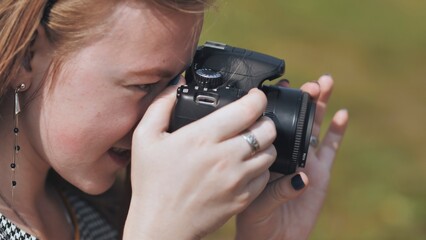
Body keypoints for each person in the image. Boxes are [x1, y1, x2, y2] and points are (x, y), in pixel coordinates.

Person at [0, 0, 349, 239]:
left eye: (178, 84)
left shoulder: (87, 213)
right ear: (28, 55)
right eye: (144, 85)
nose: (163, 113)